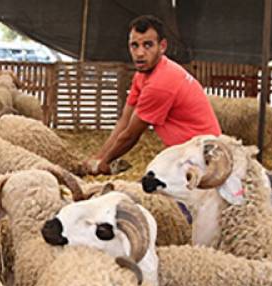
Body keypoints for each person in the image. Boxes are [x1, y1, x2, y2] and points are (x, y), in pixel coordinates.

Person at [85, 15, 221, 174]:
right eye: (134, 46)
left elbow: (130, 135)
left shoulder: (160, 83)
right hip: (184, 152)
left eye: (147, 45)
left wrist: (104, 163)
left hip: (204, 158)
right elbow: (125, 121)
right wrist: (100, 157)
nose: (140, 53)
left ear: (162, 46)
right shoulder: (141, 75)